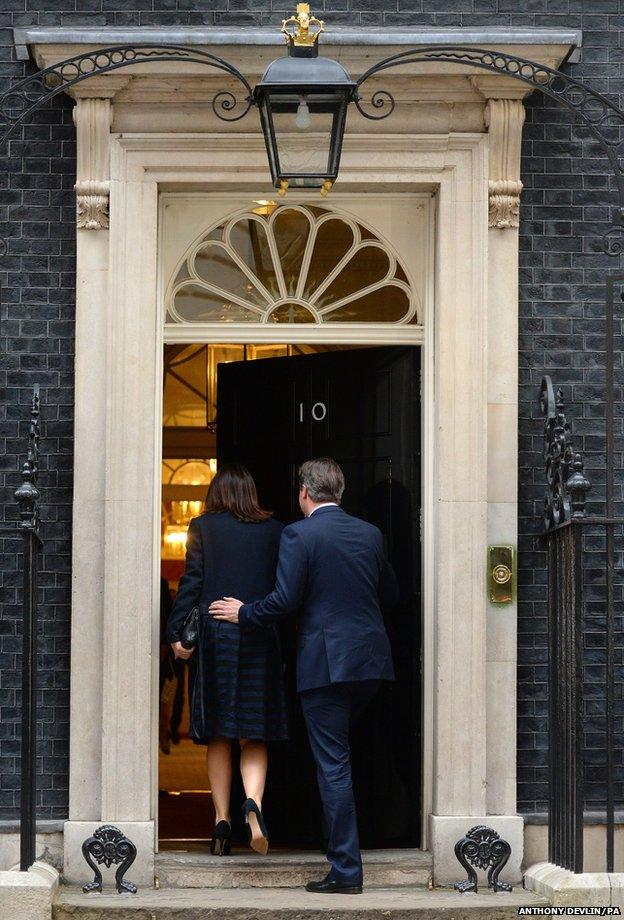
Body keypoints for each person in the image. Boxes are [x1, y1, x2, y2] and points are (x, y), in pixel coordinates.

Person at [210, 457, 398, 894]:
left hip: (326, 665)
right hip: (370, 662)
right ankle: (344, 848)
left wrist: (243, 613)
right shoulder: (370, 534)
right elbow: (389, 592)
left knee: (333, 766)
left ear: (304, 493)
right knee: (345, 758)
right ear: (340, 491)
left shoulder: (299, 533)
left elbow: (283, 600)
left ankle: (346, 871)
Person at [166, 464, 288, 857]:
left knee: (218, 733)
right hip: (258, 634)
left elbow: (192, 584)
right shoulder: (276, 531)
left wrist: (175, 636)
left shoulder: (203, 528)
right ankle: (253, 803)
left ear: (216, 494)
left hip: (217, 636)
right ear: (251, 493)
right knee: (253, 732)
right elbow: (281, 591)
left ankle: (221, 819)